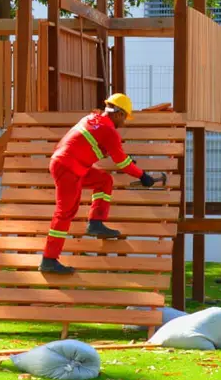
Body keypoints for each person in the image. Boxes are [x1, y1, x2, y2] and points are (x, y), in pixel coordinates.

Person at [39, 93, 158, 274]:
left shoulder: (91, 118)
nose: (123, 123)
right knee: (65, 213)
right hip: (69, 169)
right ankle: (49, 259)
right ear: (119, 114)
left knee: (104, 180)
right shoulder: (109, 131)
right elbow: (121, 162)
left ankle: (95, 223)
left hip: (69, 165)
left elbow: (94, 146)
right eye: (124, 118)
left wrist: (123, 158)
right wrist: (142, 176)